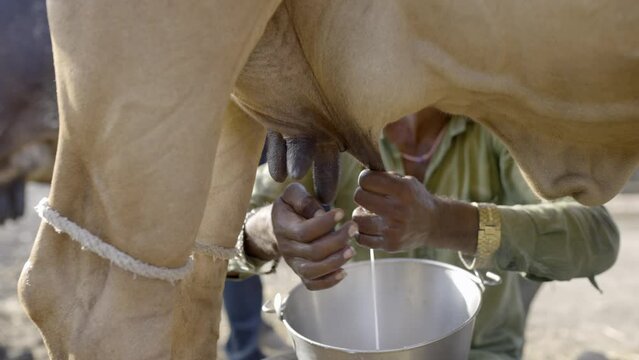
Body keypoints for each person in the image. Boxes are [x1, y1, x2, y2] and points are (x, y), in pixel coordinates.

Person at [231, 107, 620, 359]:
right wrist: (267, 232)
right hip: (351, 351)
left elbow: (597, 237)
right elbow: (220, 236)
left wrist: (443, 222)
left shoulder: (498, 129)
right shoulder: (333, 136)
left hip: (480, 352)